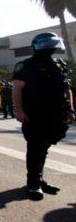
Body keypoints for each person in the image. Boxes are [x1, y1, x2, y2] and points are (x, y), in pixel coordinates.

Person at [12, 32, 74, 201]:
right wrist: (19, 111)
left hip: (56, 115)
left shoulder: (59, 65)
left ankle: (38, 179)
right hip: (34, 115)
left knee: (43, 149)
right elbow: (17, 89)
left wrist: (70, 110)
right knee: (35, 149)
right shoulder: (26, 65)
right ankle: (33, 184)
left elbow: (66, 89)